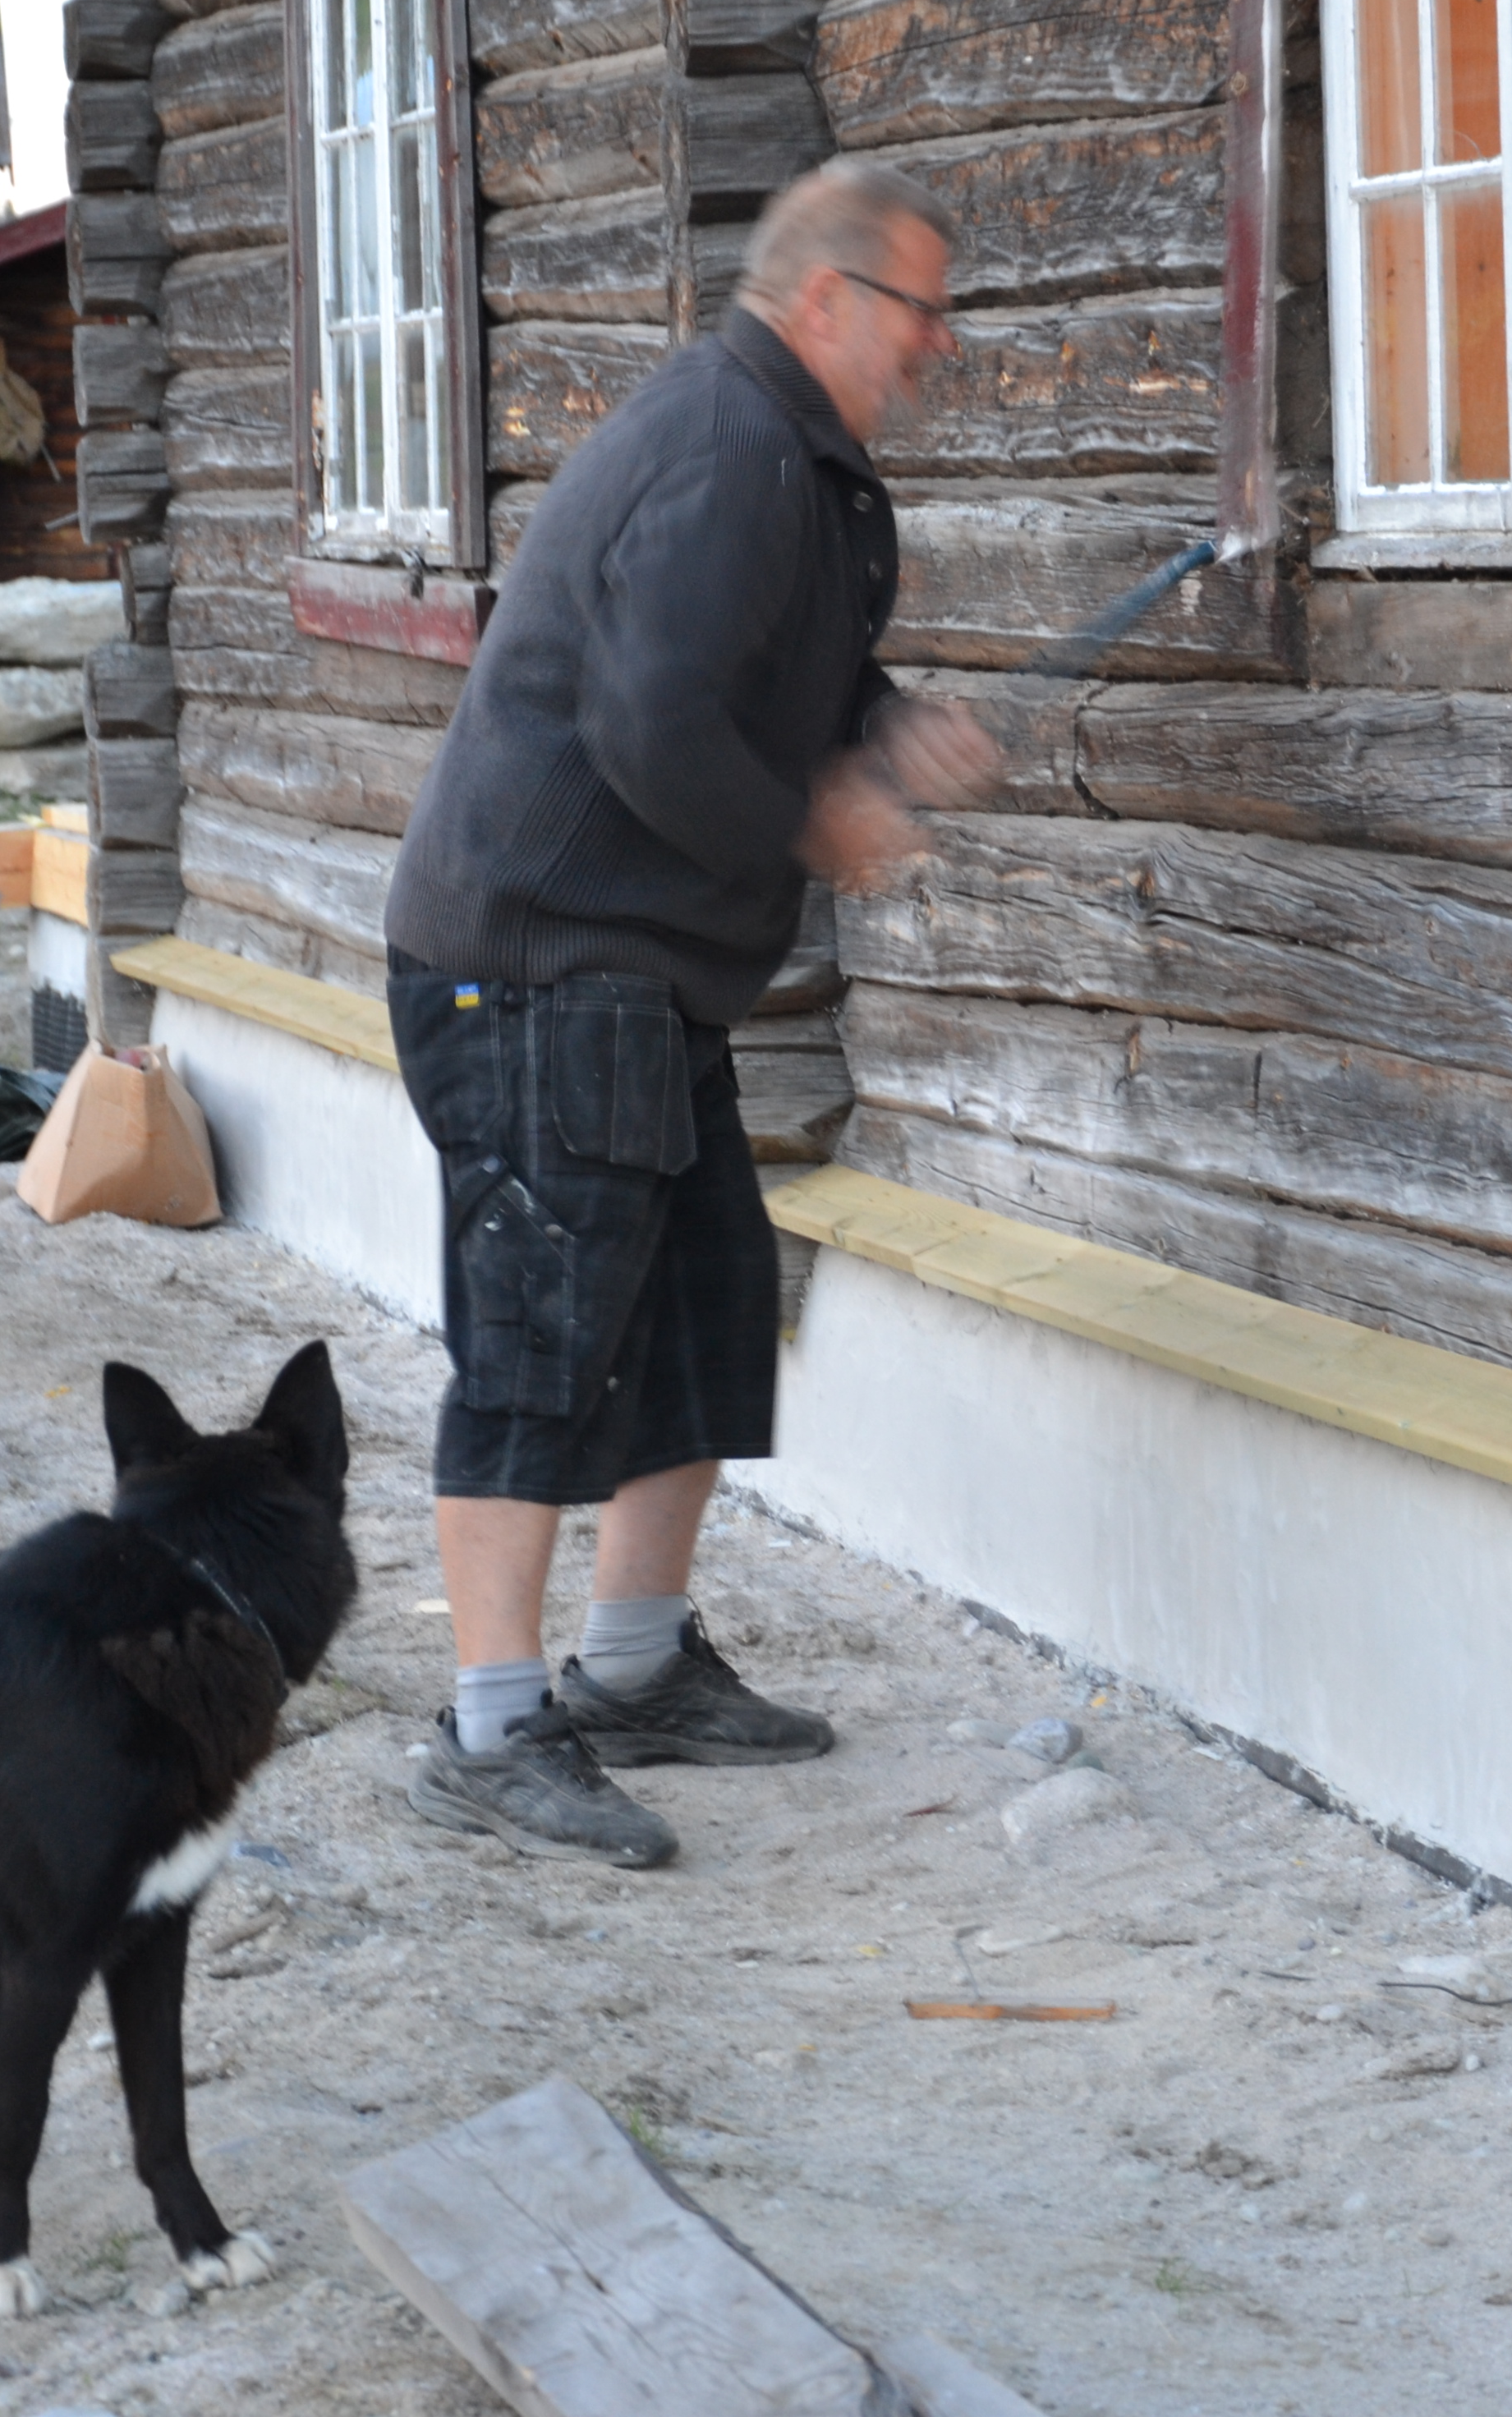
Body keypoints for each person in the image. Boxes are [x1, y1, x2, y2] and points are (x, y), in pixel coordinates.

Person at [377, 159, 1000, 1867]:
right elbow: (653, 725)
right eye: (920, 311)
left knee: (700, 1317)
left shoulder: (781, 449)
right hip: (537, 967)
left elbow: (761, 675)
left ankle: (636, 1667)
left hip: (631, 978)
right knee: (540, 1342)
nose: (937, 346)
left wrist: (887, 728)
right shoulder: (736, 450)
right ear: (827, 298)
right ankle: (489, 1728)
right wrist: (819, 822)